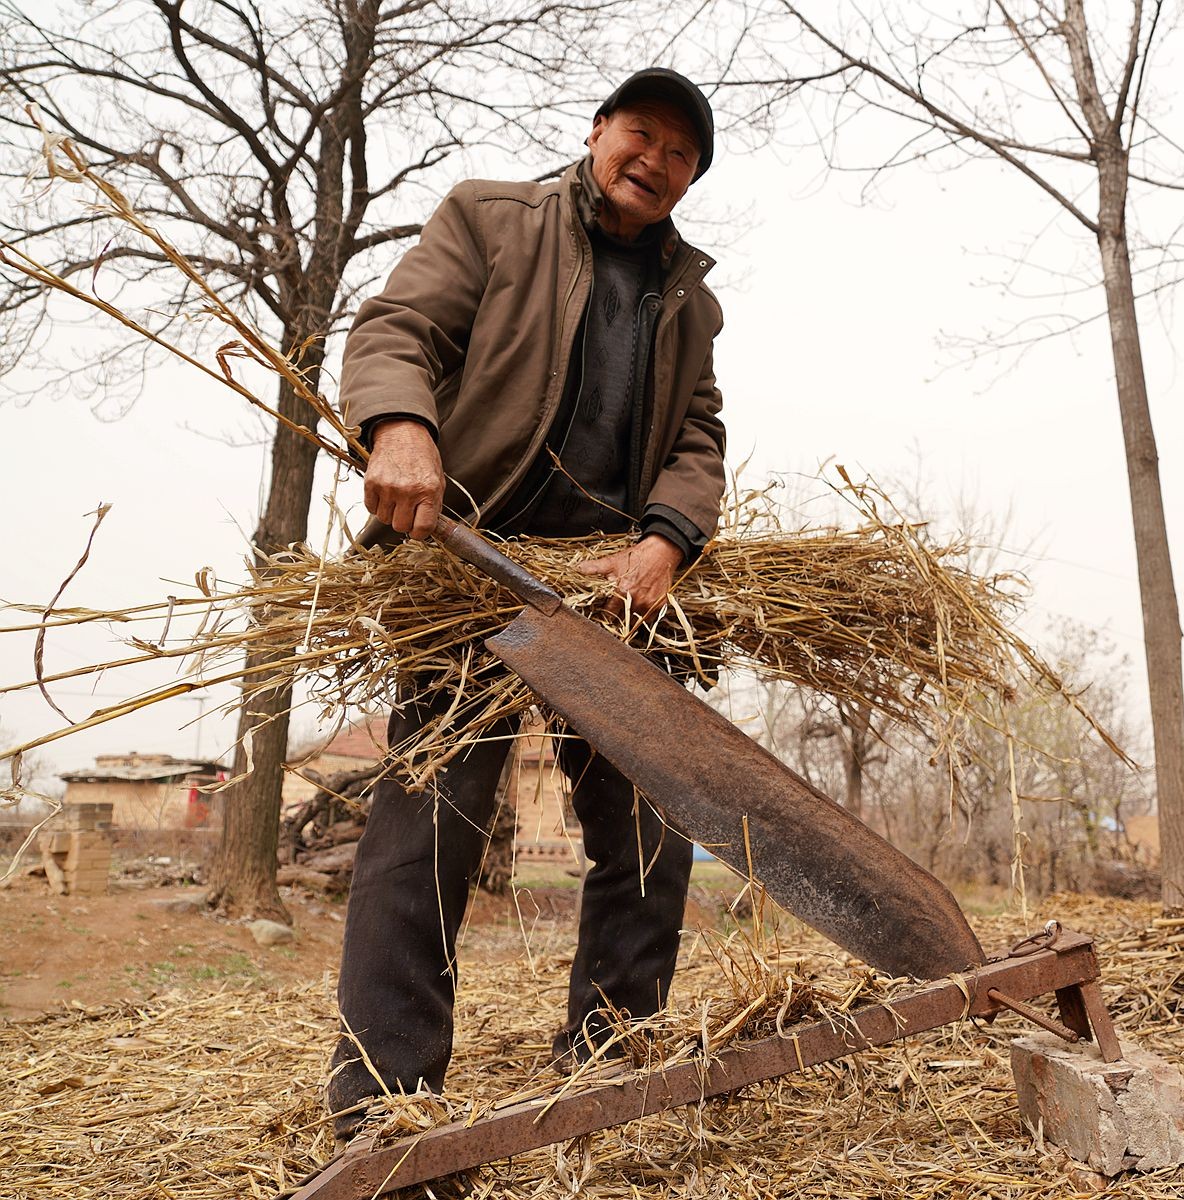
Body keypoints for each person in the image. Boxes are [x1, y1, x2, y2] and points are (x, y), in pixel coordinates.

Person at [326, 67, 726, 1145]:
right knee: (430, 826)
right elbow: (396, 326)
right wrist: (401, 427)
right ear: (598, 132)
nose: (655, 160)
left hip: (609, 590)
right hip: (471, 567)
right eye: (639, 134)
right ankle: (386, 1101)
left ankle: (613, 1067)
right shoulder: (492, 219)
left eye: (681, 154)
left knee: (651, 828)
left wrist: (664, 542)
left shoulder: (692, 298)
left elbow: (698, 440)